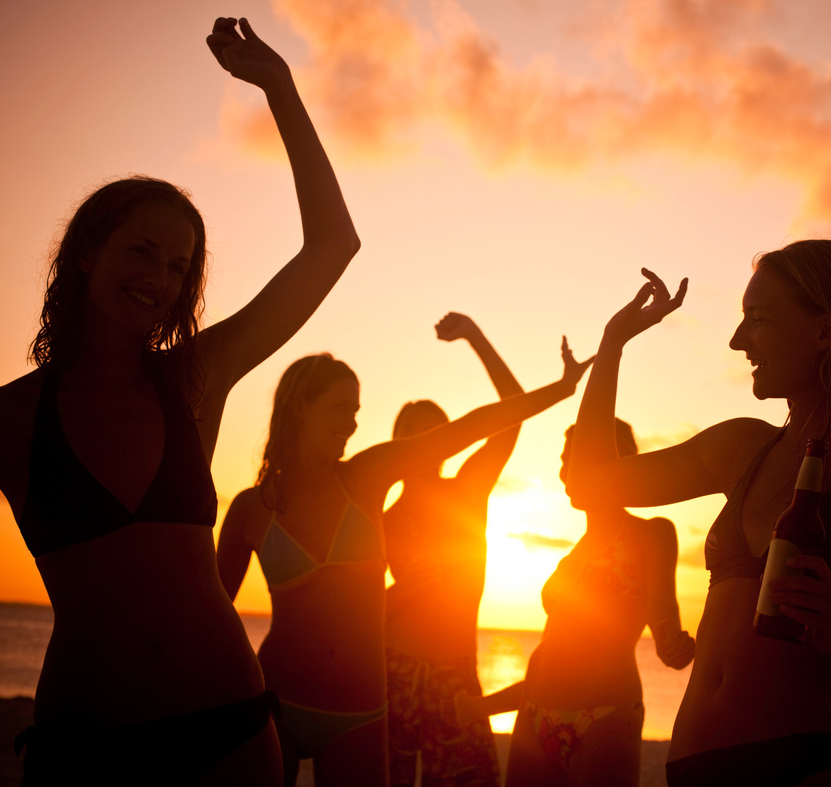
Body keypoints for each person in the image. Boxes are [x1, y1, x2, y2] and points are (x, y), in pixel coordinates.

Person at [0, 17, 360, 786]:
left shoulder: (194, 378)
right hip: (86, 747)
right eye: (140, 250)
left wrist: (279, 85)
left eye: (179, 265)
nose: (160, 276)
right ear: (86, 254)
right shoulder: (2, 420)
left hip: (230, 735)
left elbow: (331, 248)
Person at [565, 243, 831, 787]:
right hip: (695, 769)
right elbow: (589, 484)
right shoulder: (741, 447)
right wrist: (613, 345)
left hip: (808, 768)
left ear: (824, 332)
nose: (737, 341)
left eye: (757, 320)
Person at [216, 337, 592, 787]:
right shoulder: (249, 509)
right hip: (277, 698)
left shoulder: (367, 478)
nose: (352, 424)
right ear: (300, 407)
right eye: (340, 409)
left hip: (362, 709)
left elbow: (472, 427)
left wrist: (561, 389)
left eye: (356, 412)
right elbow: (213, 616)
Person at [455, 419, 696, 787]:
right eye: (564, 459)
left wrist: (674, 647)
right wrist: (481, 708)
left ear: (617, 462)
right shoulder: (572, 554)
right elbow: (557, 649)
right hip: (533, 715)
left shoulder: (651, 533)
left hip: (604, 715)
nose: (565, 470)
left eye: (574, 458)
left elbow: (664, 629)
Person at [383, 313, 523, 787]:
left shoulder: (466, 491)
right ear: (396, 443)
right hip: (391, 676)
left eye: (434, 435)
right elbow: (354, 607)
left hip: (455, 676)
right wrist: (398, 595)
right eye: (413, 435)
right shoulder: (382, 519)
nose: (423, 445)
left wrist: (475, 337)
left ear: (448, 443)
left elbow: (515, 410)